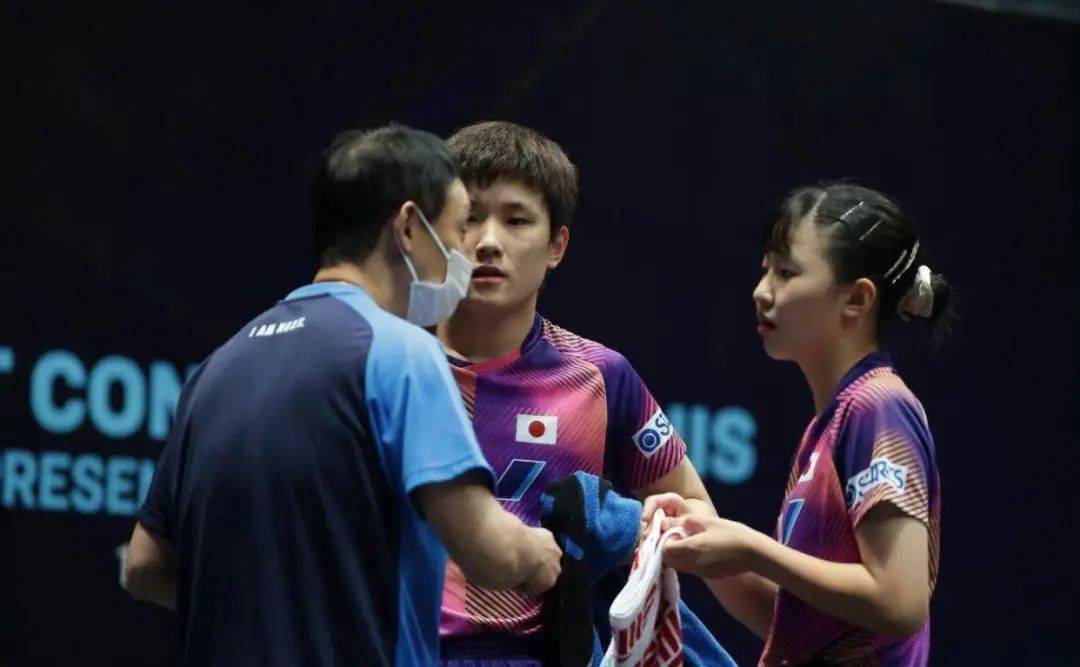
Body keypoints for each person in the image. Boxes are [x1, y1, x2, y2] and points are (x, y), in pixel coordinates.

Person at [123, 124, 562, 667]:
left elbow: (144, 566)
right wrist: (537, 554)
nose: (462, 258)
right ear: (409, 228)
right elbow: (488, 551)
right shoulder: (401, 354)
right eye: (455, 232)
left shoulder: (216, 369)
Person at [434, 121, 716, 666]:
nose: (487, 241)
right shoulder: (390, 367)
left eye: (516, 220)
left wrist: (621, 527)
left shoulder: (600, 374)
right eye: (469, 217)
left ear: (556, 246)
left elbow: (697, 514)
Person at [646, 183, 950, 665]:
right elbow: (797, 626)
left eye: (786, 272)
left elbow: (899, 601)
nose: (761, 291)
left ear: (857, 299)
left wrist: (753, 549)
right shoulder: (827, 425)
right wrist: (704, 540)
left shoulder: (879, 407)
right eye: (765, 268)